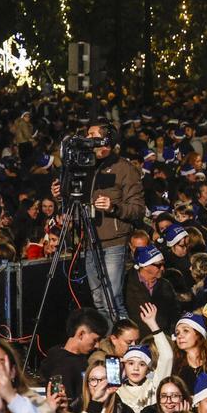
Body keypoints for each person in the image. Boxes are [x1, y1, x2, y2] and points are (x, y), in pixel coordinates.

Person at [51, 120, 144, 317]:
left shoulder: (124, 169)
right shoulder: (85, 165)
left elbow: (137, 209)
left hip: (113, 243)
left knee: (112, 298)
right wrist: (61, 194)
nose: (87, 140)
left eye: (92, 136)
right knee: (99, 301)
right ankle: (108, 342)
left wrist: (113, 207)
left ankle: (125, 343)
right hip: (89, 241)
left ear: (106, 140)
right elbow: (75, 200)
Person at [39, 307, 108, 404]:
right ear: (81, 334)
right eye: (95, 340)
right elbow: (64, 407)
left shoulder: (68, 356)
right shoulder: (64, 366)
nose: (97, 345)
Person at [124, 248, 181, 336]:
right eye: (158, 265)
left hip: (164, 336)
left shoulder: (166, 285)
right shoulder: (127, 284)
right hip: (140, 339)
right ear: (145, 266)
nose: (162, 268)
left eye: (163, 264)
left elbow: (175, 312)